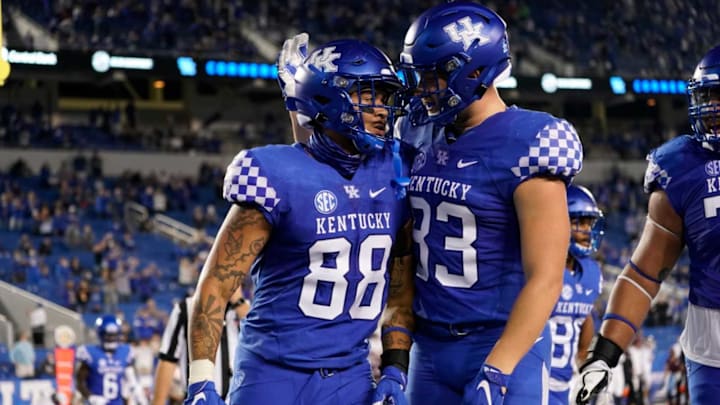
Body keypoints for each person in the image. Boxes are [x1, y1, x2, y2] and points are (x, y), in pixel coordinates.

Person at [185, 38, 414, 405]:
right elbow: (215, 285)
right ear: (330, 99)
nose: (382, 109)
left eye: (386, 97)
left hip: (350, 375)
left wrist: (394, 369)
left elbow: (401, 289)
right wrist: (200, 381)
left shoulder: (396, 171)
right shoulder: (278, 174)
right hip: (271, 373)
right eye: (368, 94)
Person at [573, 44, 720, 405]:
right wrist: (604, 354)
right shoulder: (683, 167)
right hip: (713, 347)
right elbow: (644, 274)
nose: (714, 111)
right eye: (710, 98)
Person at [548, 185, 604, 404]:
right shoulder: (538, 268)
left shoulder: (591, 273)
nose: (586, 231)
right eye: (578, 222)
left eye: (589, 223)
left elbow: (585, 316)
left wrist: (582, 358)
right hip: (532, 381)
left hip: (568, 386)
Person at [152, 289, 248, 405]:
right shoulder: (187, 308)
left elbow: (260, 341)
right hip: (198, 400)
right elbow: (168, 359)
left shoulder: (246, 309)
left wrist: (238, 302)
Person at [75, 315, 147, 405]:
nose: (111, 338)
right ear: (101, 334)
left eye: (113, 335)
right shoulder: (90, 353)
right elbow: (79, 382)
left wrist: (139, 396)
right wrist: (91, 397)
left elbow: (132, 381)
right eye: (108, 335)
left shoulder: (125, 352)